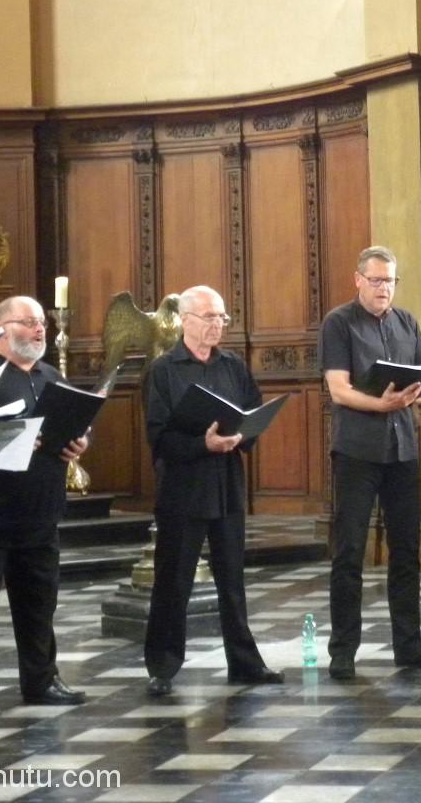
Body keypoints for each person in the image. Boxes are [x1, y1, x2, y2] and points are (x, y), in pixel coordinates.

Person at [0, 296, 90, 718]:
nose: (39, 328)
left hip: (40, 510)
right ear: (1, 329)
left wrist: (82, 440)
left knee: (39, 603)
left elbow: (76, 422)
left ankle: (41, 678)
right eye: (28, 322)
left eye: (41, 321)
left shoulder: (51, 375)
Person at [143, 285, 283, 695]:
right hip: (183, 488)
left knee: (232, 581)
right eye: (209, 317)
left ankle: (244, 663)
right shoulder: (164, 370)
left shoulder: (233, 366)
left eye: (222, 317)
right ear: (184, 321)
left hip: (227, 484)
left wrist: (243, 435)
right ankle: (162, 666)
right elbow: (158, 438)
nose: (217, 325)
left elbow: (253, 411)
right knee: (174, 580)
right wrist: (202, 444)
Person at [319, 246, 421, 681]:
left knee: (406, 550)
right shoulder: (339, 323)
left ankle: (409, 645)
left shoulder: (407, 322)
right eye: (375, 280)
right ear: (358, 280)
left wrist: (418, 391)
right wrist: (381, 403)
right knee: (350, 550)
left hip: (402, 448)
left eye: (389, 281)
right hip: (357, 449)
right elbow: (338, 389)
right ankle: (343, 650)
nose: (383, 288)